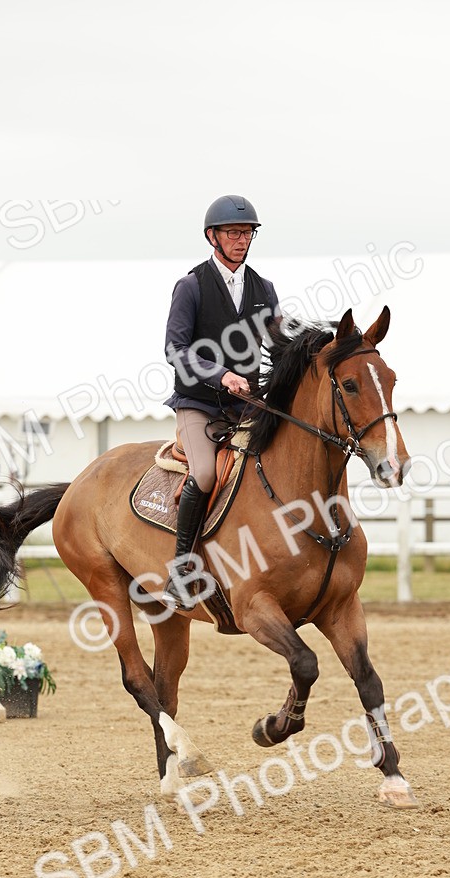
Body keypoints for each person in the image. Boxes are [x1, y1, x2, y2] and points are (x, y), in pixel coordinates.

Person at [160, 194, 281, 610]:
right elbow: (175, 348)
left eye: (246, 233)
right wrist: (221, 374)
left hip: (247, 406)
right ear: (213, 236)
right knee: (208, 473)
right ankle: (182, 569)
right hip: (199, 405)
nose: (241, 240)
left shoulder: (263, 289)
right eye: (233, 232)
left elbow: (280, 346)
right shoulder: (191, 286)